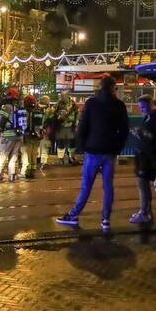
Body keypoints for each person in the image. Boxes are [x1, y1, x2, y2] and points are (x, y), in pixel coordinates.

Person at [56, 76, 128, 230]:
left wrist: (82, 148)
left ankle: (73, 215)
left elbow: (82, 127)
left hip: (93, 150)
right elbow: (124, 130)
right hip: (109, 152)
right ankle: (105, 219)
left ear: (99, 87)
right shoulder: (119, 105)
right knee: (108, 187)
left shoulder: (92, 103)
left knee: (86, 186)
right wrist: (117, 149)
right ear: (113, 88)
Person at [130, 95, 156, 224]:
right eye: (140, 107)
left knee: (143, 184)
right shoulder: (146, 117)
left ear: (151, 105)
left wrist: (142, 132)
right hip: (141, 155)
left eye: (144, 107)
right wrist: (138, 133)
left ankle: (144, 212)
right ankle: (146, 211)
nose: (142, 110)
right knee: (142, 184)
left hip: (149, 156)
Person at [0, 87, 24, 182]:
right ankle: (12, 175)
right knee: (14, 156)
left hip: (8, 135)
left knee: (1, 155)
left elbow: (2, 121)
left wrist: (0, 129)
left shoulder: (6, 107)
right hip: (19, 136)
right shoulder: (19, 107)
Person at [21, 94, 44, 179]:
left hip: (28, 135)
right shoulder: (39, 111)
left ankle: (28, 172)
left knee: (28, 154)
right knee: (34, 154)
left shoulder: (26, 112)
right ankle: (33, 171)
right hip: (37, 136)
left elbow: (24, 124)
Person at [53, 91, 80, 165]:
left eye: (64, 95)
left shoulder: (73, 104)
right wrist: (58, 116)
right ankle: (60, 159)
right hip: (61, 126)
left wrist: (76, 125)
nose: (62, 97)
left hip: (70, 126)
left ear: (68, 96)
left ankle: (71, 158)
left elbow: (77, 115)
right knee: (60, 143)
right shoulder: (58, 104)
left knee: (72, 143)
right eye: (62, 95)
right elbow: (53, 113)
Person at [37, 95, 53, 168]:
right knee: (45, 146)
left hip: (36, 130)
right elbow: (50, 120)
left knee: (37, 146)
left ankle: (36, 160)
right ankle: (43, 162)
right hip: (44, 130)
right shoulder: (49, 110)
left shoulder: (36, 108)